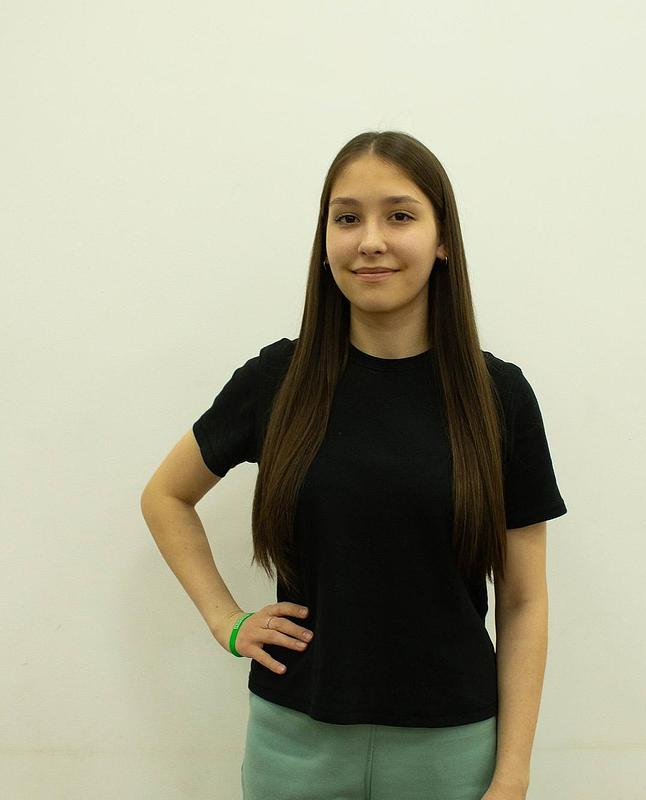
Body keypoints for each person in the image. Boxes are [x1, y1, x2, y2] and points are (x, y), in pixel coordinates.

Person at [140, 130, 567, 800]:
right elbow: (166, 496)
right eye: (347, 219)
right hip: (293, 746)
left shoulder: (498, 397)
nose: (370, 241)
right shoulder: (277, 380)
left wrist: (512, 774)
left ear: (443, 239)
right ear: (325, 240)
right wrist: (228, 622)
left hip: (452, 753)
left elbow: (523, 600)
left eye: (399, 215)